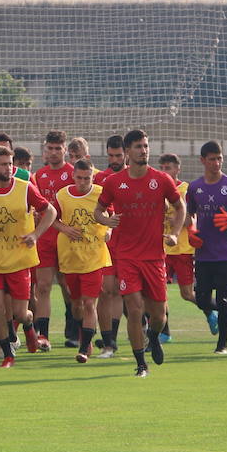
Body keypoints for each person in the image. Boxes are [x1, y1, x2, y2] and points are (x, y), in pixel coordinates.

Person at [94, 129, 185, 378]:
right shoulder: (114, 182)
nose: (143, 150)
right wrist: (107, 220)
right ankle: (141, 363)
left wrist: (175, 233)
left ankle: (153, 336)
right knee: (134, 309)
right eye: (138, 147)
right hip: (127, 257)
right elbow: (98, 211)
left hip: (155, 257)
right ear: (127, 152)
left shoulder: (162, 179)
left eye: (145, 146)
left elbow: (179, 206)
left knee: (159, 315)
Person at [0, 147, 57, 368]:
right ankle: (8, 354)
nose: (8, 168)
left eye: (10, 164)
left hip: (19, 261)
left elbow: (51, 212)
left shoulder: (25, 188)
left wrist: (36, 235)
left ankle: (28, 327)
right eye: (3, 164)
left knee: (21, 313)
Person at [54, 159, 112, 363]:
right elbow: (50, 217)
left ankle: (85, 347)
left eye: (87, 178)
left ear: (93, 177)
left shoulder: (100, 193)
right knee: (76, 304)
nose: (82, 182)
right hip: (71, 257)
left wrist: (110, 230)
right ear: (73, 176)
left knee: (89, 303)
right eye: (79, 178)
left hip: (94, 256)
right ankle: (84, 335)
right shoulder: (62, 195)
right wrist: (64, 228)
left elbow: (112, 215)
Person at [186, 141, 227, 354]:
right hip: (204, 253)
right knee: (200, 297)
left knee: (223, 298)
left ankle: (223, 344)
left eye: (219, 158)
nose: (216, 163)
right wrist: (191, 231)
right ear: (202, 160)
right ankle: (218, 316)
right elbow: (190, 214)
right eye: (211, 159)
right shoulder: (195, 187)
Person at [32, 130, 74, 351]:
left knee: (69, 287)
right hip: (45, 238)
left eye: (58, 148)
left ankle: (73, 328)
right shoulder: (39, 176)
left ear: (65, 150)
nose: (54, 152)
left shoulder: (74, 173)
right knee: (44, 286)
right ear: (44, 150)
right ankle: (43, 335)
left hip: (68, 238)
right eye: (50, 148)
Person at [158, 153, 201, 341]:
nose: (165, 171)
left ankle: (211, 310)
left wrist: (174, 218)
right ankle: (164, 331)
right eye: (163, 168)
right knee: (159, 292)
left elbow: (191, 220)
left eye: (169, 168)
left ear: (177, 169)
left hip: (182, 249)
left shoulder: (185, 189)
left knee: (187, 294)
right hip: (162, 250)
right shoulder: (157, 189)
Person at [92, 134, 128, 355]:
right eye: (111, 155)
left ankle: (146, 329)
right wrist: (105, 225)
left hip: (129, 242)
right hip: (104, 242)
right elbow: (96, 208)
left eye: (118, 155)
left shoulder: (134, 176)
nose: (114, 159)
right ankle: (109, 341)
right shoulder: (100, 179)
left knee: (127, 293)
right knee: (107, 290)